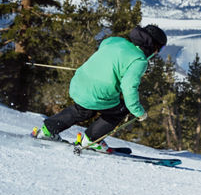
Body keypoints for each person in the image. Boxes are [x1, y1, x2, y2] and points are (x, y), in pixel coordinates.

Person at [32, 24, 168, 150]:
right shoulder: (139, 61)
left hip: (79, 82)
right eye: (160, 49)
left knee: (83, 110)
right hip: (98, 93)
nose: (158, 52)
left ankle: (47, 130)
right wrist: (138, 112)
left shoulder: (116, 41)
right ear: (153, 46)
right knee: (121, 109)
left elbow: (104, 48)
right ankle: (92, 140)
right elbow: (129, 88)